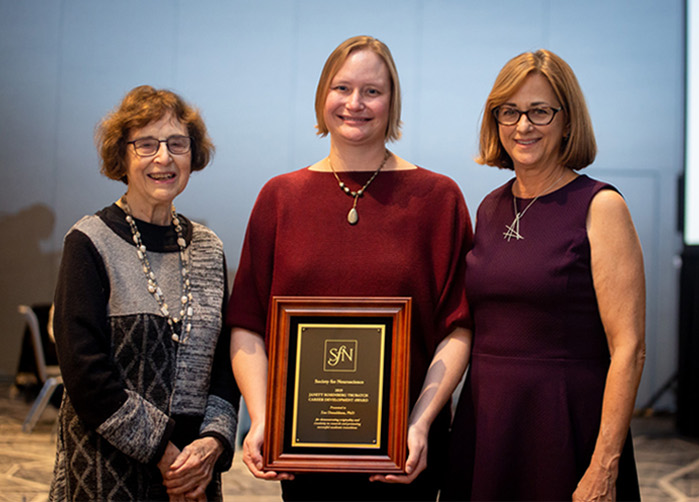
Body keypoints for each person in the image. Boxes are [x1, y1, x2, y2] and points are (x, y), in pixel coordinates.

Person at [225, 35, 473, 501]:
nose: (355, 103)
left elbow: (457, 328)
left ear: (392, 101)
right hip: (303, 456)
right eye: (342, 88)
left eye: (372, 91)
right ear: (322, 96)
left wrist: (418, 423)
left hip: (406, 455)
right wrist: (263, 418)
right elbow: (247, 323)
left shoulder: (438, 200)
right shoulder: (280, 198)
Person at [445, 49, 646, 501]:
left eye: (539, 111)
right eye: (509, 111)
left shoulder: (601, 206)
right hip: (487, 423)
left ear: (567, 119)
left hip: (564, 427)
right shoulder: (490, 207)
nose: (522, 126)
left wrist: (604, 466)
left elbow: (629, 349)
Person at [51, 85, 238, 501]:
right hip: (104, 475)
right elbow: (86, 375)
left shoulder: (209, 249)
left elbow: (226, 366)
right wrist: (166, 455)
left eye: (177, 144)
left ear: (194, 154)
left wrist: (212, 445)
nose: (164, 158)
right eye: (146, 144)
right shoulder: (88, 242)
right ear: (122, 155)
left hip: (194, 480)